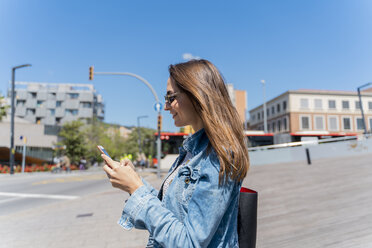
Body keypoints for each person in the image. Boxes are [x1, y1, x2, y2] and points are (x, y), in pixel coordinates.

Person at [102, 59, 249, 247]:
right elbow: (172, 211)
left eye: (171, 98)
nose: (166, 106)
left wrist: (136, 190)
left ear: (197, 94)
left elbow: (189, 242)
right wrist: (135, 181)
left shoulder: (218, 156)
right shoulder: (193, 151)